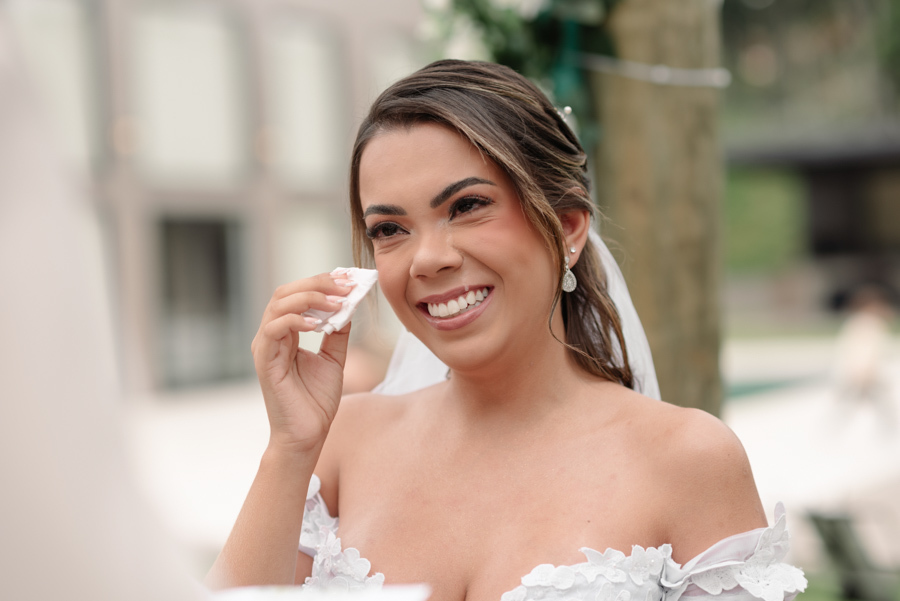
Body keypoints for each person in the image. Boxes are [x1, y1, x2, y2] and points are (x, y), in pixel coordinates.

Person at [206, 60, 807, 601]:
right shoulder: (343, 443)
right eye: (390, 229)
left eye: (466, 207)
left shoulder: (686, 460)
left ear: (567, 227)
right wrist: (290, 448)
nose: (426, 259)